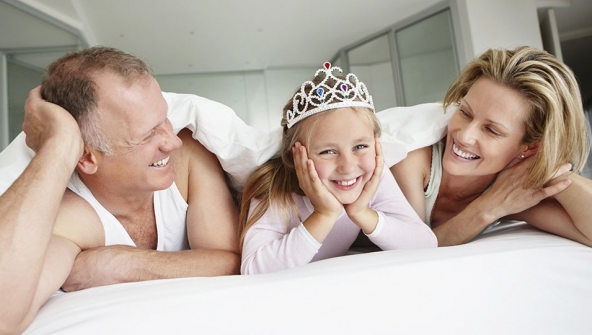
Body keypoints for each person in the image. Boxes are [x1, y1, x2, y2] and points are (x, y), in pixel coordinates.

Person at [0, 47, 240, 335]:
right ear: (87, 157)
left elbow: (234, 262)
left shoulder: (189, 157)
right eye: (147, 135)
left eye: (165, 119)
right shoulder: (70, 215)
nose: (173, 141)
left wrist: (120, 265)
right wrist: (59, 143)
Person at [239, 63, 437, 274]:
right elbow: (253, 269)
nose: (348, 167)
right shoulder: (274, 189)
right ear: (294, 156)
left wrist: (362, 213)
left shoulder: (372, 177)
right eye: (328, 151)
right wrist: (324, 215)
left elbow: (425, 244)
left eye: (360, 147)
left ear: (376, 144)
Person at [390, 46, 592, 247]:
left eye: (492, 130)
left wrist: (551, 172)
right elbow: (411, 250)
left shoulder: (512, 188)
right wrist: (489, 207)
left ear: (530, 148)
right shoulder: (412, 156)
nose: (464, 136)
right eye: (465, 112)